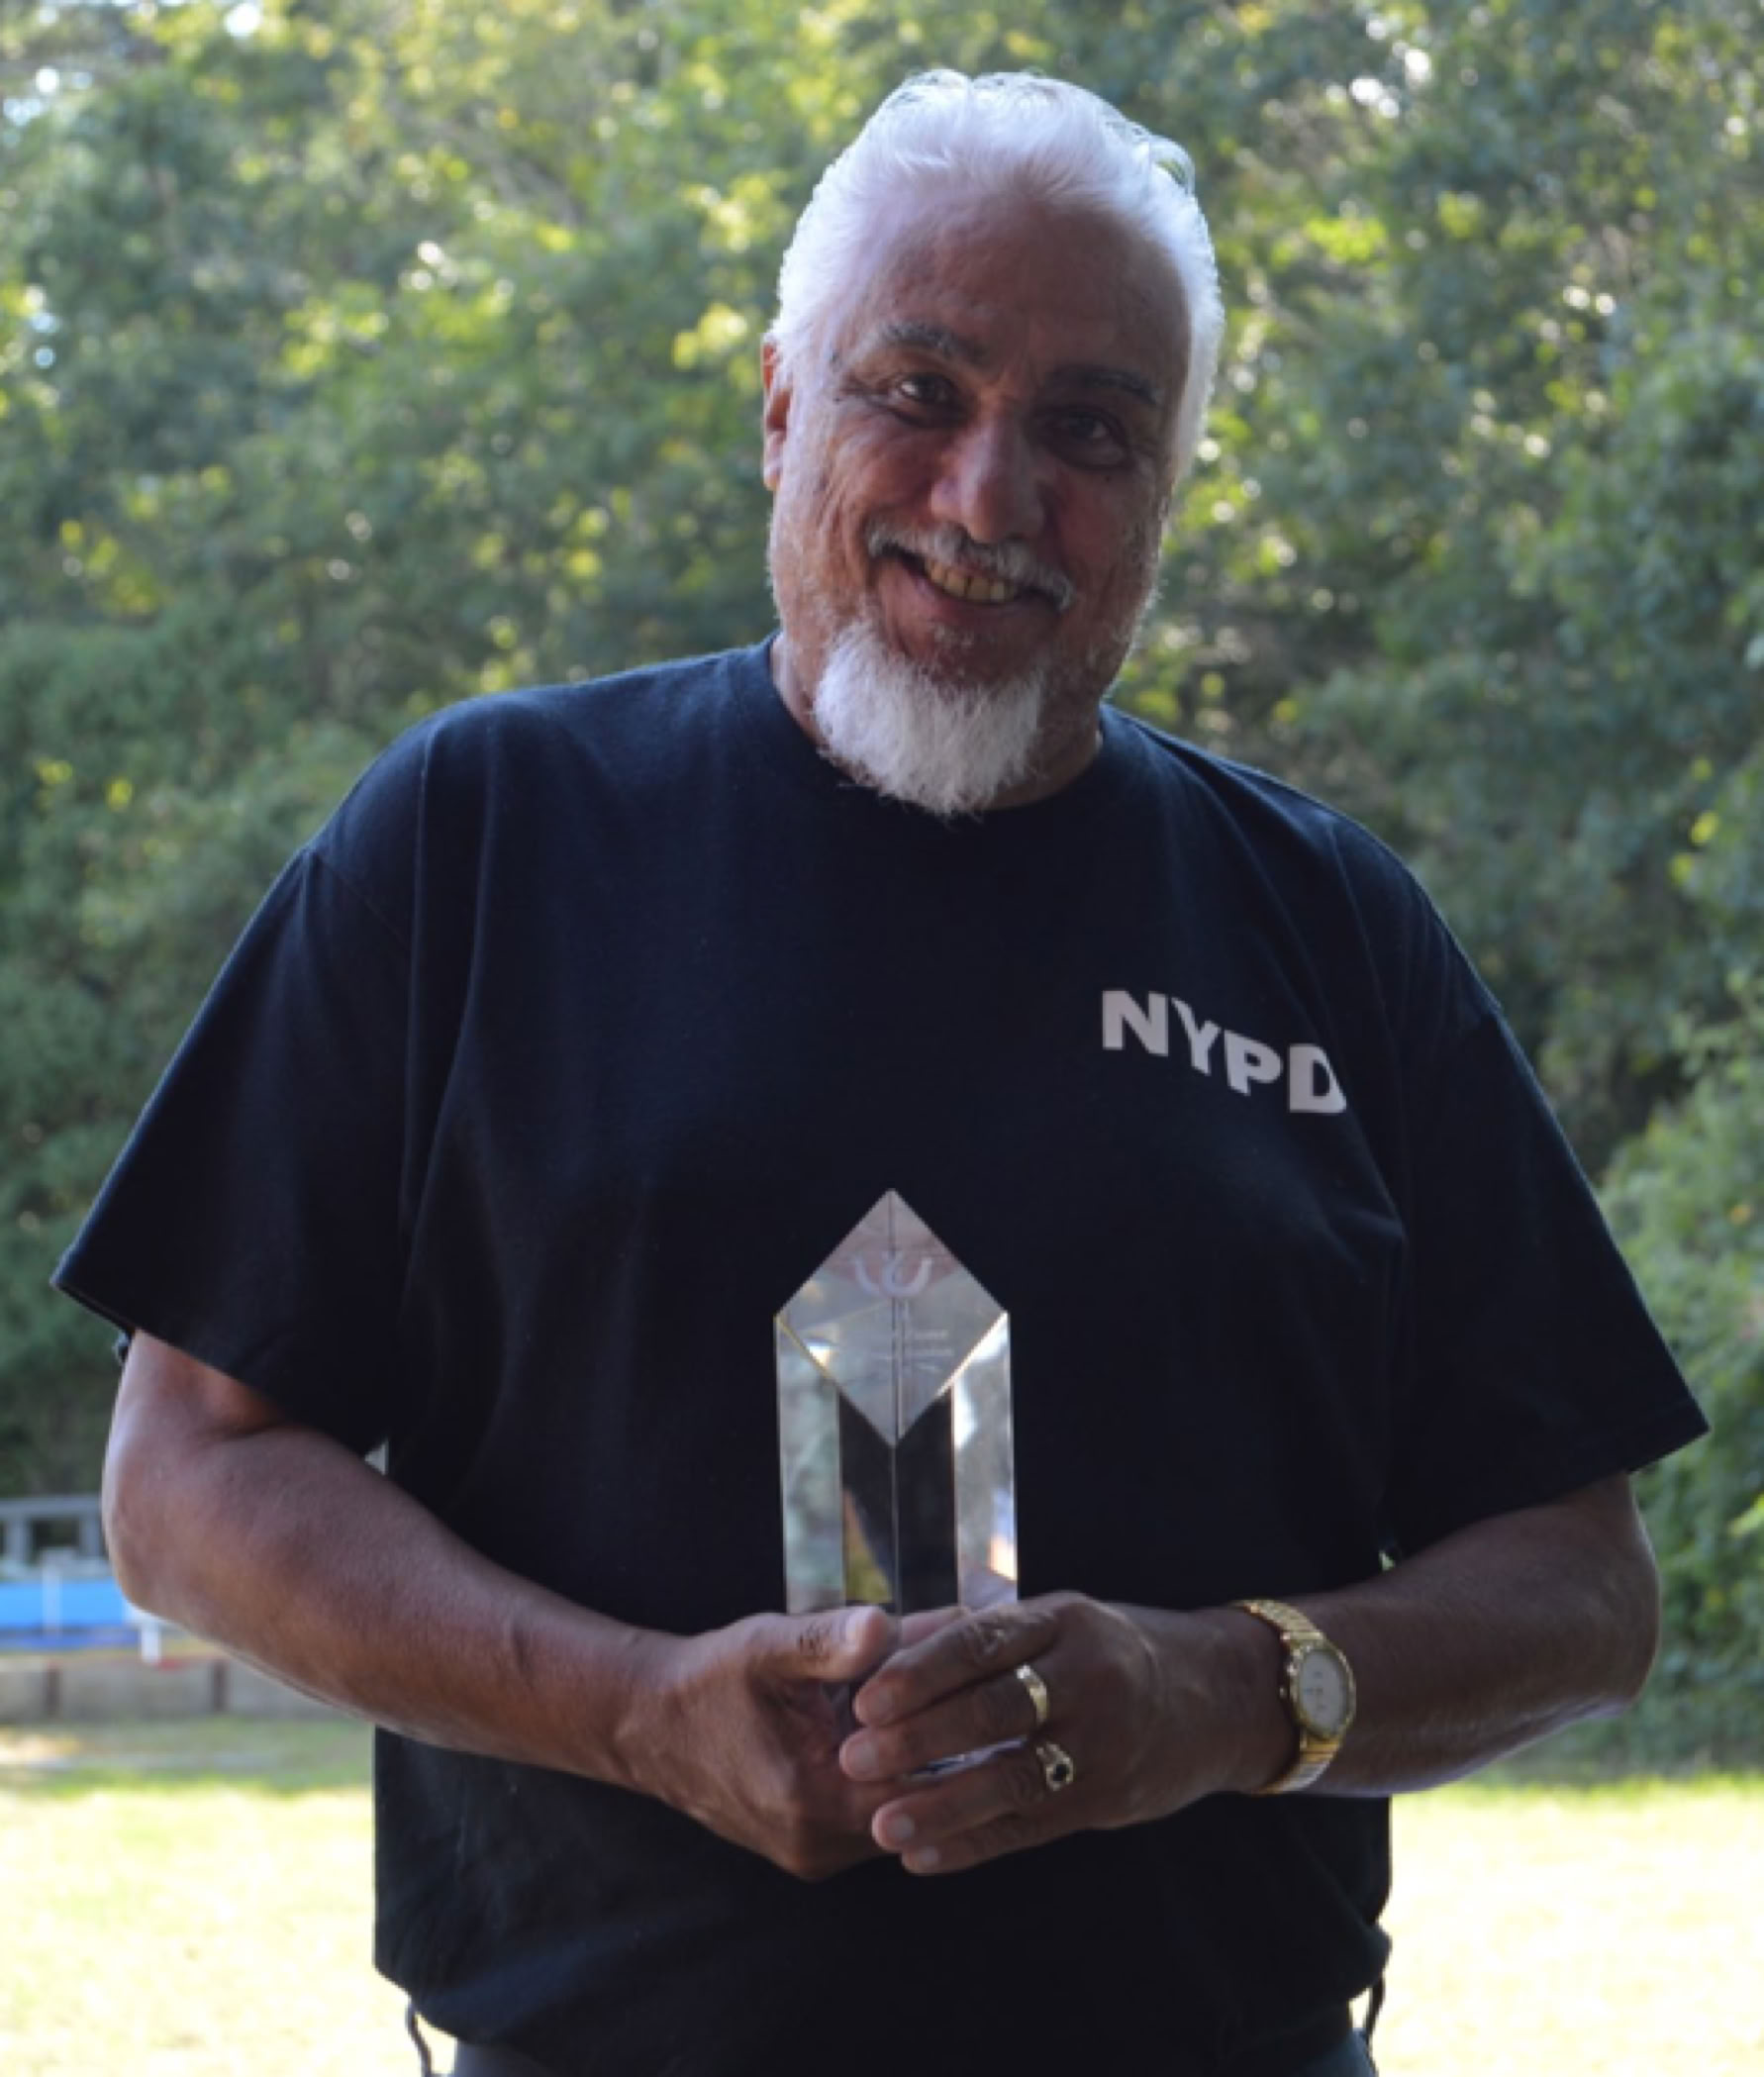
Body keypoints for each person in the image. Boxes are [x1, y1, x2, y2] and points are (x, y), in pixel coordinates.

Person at [57, 70, 1705, 2077]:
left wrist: (1225, 1692)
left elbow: (1582, 1581)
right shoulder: (482, 838)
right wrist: (630, 1706)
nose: (990, 496)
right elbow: (186, 1477)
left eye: (1091, 429)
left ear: (1169, 491)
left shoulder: (1327, 922)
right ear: (779, 409)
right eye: (916, 389)